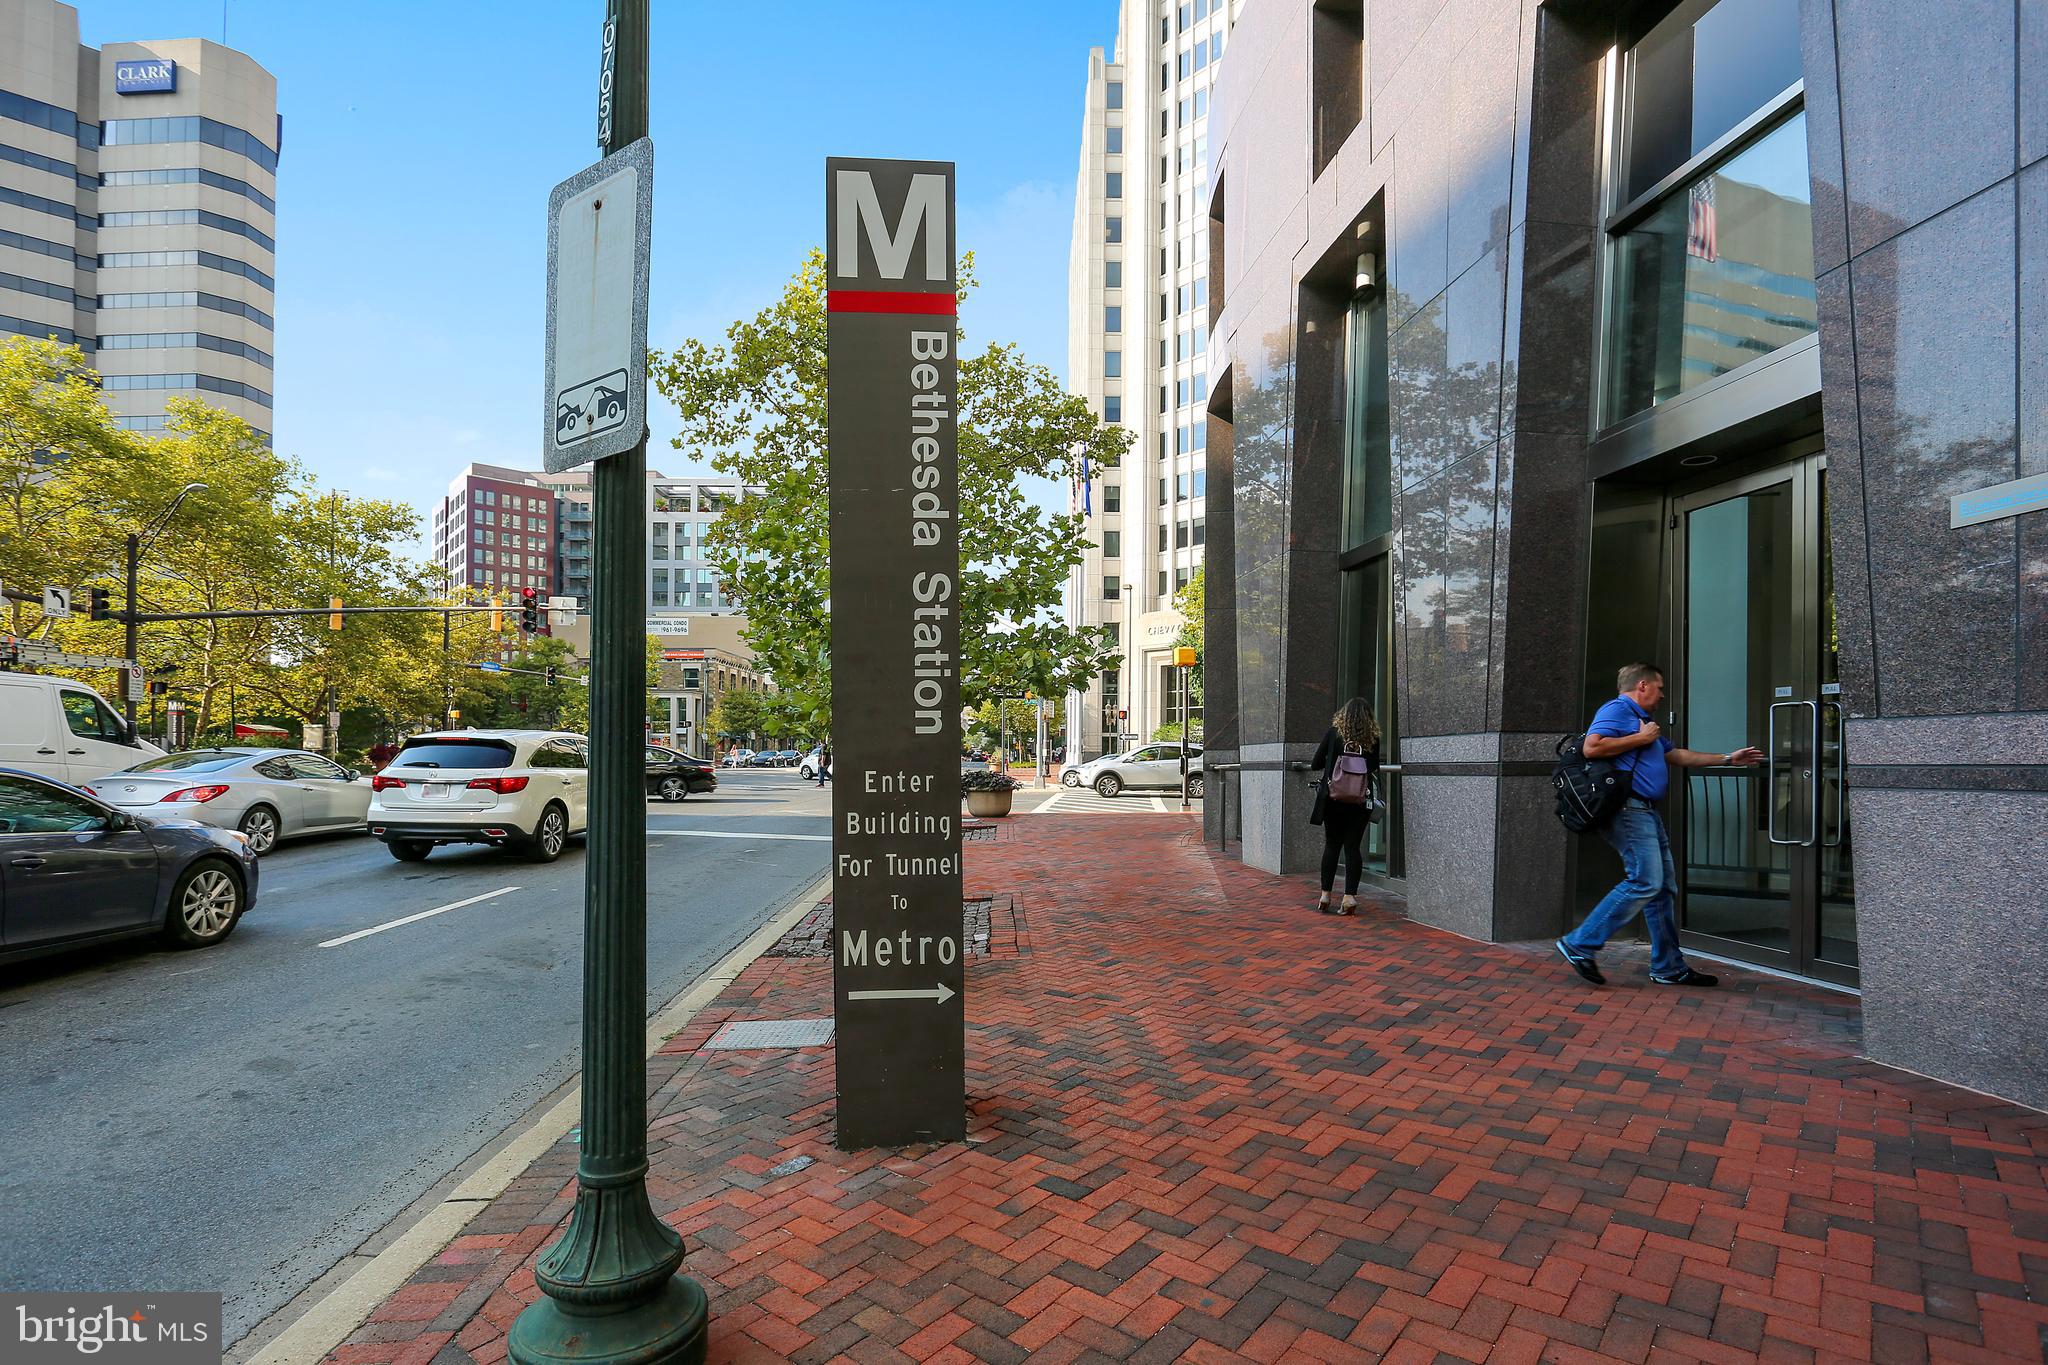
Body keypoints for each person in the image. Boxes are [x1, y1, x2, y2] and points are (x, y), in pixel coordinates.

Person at [1557, 662, 1764, 988]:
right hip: (1628, 810)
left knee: (1662, 888)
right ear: (1642, 685)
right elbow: (1592, 746)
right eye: (1660, 687)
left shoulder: (1644, 722)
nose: (1663, 694)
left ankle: (1669, 967)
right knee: (1645, 880)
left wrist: (1727, 758)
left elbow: (1678, 755)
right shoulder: (1618, 709)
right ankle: (1580, 943)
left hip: (1645, 811)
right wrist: (1640, 738)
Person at [1309, 697, 1381, 915]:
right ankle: (1349, 897)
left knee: (1332, 846)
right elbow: (1374, 766)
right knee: (1352, 848)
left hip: (1333, 799)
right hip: (1359, 802)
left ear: (1344, 715)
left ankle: (1325, 896)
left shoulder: (1334, 734)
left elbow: (1315, 763)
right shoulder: (1372, 739)